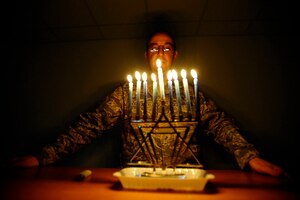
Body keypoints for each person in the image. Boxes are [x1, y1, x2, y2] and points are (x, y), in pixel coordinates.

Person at [8, 31, 284, 177]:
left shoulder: (191, 93)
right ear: (146, 55)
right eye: (154, 48)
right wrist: (42, 157)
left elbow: (220, 125)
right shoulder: (127, 94)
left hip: (188, 178)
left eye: (166, 48)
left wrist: (250, 157)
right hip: (136, 176)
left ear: (175, 55)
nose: (160, 53)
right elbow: (89, 126)